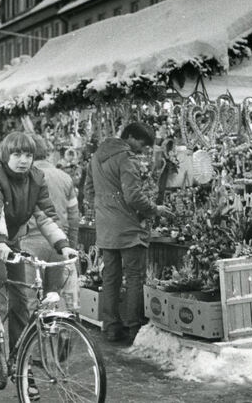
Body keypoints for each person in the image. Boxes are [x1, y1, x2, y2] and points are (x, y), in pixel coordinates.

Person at [0, 131, 78, 353]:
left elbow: (45, 215)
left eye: (28, 155)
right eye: (17, 154)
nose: (24, 160)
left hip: (12, 238)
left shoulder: (36, 177)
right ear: (5, 154)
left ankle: (19, 356)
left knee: (21, 298)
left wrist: (62, 244)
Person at [85, 122, 172, 342]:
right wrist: (155, 210)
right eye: (141, 144)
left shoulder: (96, 157)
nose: (142, 150)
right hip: (129, 229)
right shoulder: (126, 159)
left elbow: (88, 191)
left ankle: (111, 327)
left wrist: (103, 210)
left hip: (106, 228)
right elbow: (133, 196)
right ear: (131, 137)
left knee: (110, 278)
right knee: (135, 278)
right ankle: (135, 328)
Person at [26, 134, 80, 311]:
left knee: (29, 301)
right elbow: (73, 217)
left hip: (29, 243)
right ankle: (52, 338)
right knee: (53, 298)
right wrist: (70, 245)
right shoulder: (64, 177)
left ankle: (32, 338)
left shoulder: (23, 176)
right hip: (58, 245)